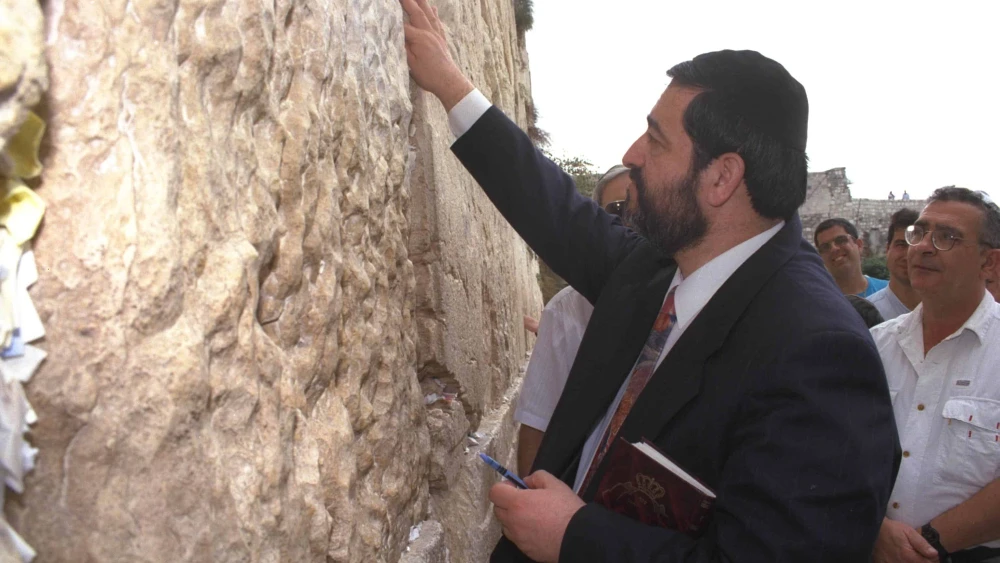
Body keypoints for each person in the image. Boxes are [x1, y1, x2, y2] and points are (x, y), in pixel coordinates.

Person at [402, 3, 899, 561]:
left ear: (721, 177)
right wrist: (451, 85)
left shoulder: (818, 354)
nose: (631, 155)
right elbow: (553, 208)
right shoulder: (655, 269)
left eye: (656, 141)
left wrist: (576, 537)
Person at [870, 187, 1000, 563]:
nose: (924, 247)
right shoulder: (875, 345)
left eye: (947, 237)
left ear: (989, 262)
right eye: (920, 232)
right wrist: (875, 530)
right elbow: (839, 451)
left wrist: (927, 545)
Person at [515, 165, 631, 475]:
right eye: (619, 209)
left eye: (644, 204)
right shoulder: (568, 310)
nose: (633, 219)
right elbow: (537, 424)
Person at [815, 218, 889, 297]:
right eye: (825, 247)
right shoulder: (818, 301)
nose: (834, 248)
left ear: (859, 245)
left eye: (840, 240)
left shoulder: (890, 292)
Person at [869, 209, 921, 320]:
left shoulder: (948, 312)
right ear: (887, 249)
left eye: (916, 247)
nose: (908, 255)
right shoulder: (865, 315)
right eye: (901, 245)